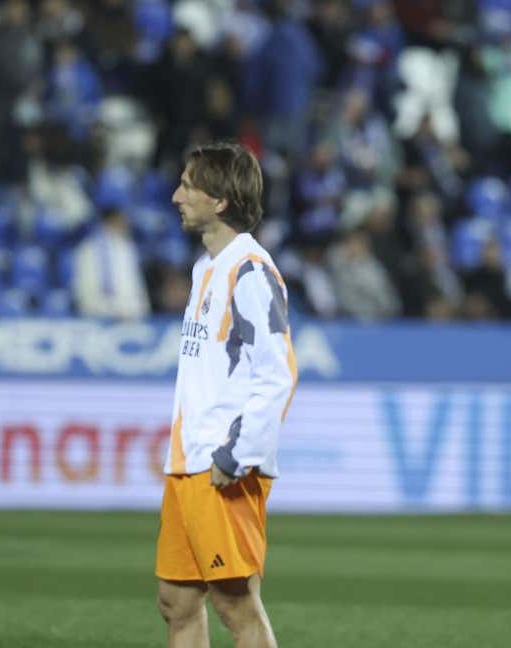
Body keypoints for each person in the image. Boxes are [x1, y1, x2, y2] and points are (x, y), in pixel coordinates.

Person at [156, 142, 297, 648]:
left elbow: (277, 372)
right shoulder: (206, 268)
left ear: (219, 201)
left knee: (236, 603)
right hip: (188, 459)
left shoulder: (250, 271)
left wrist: (238, 454)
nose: (176, 196)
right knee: (177, 601)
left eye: (188, 186)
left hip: (223, 462)